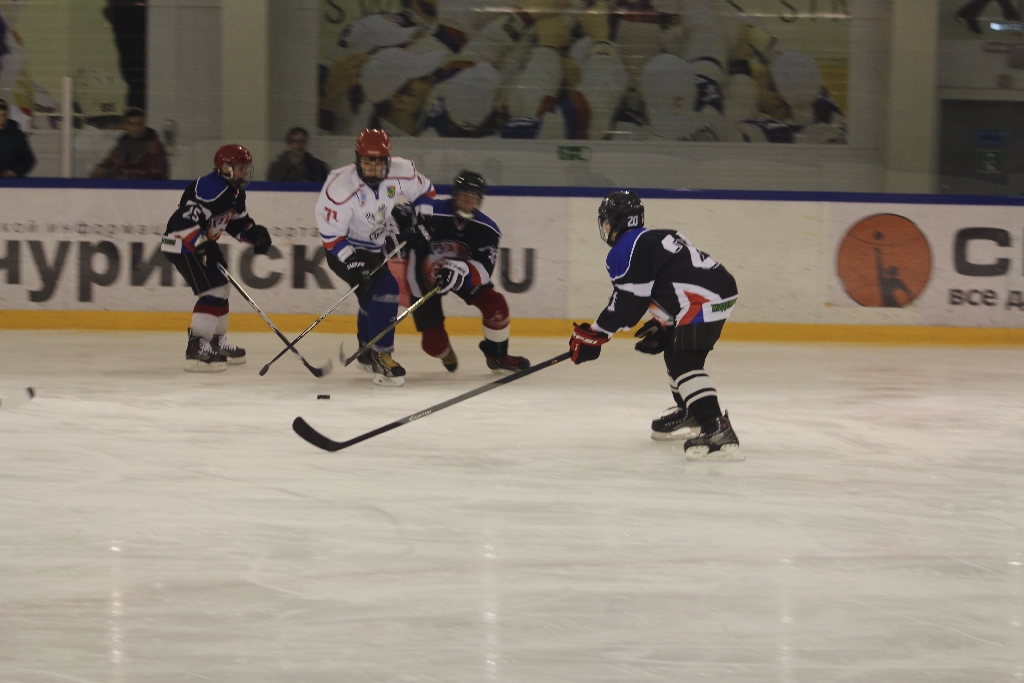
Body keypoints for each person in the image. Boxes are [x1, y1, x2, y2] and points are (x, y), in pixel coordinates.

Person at [567, 191, 742, 460]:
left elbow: (629, 305)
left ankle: (715, 427)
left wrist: (596, 333)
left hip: (704, 298)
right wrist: (666, 323)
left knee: (684, 361)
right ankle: (693, 411)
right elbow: (673, 280)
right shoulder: (660, 236)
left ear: (616, 222)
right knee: (675, 350)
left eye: (607, 222)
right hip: (718, 289)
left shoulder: (624, 248)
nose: (606, 228)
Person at [314, 128, 435, 386]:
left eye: (378, 162)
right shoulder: (340, 186)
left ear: (387, 160)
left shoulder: (401, 171)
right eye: (367, 161)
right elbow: (332, 236)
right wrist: (352, 262)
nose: (372, 168)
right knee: (386, 289)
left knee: (370, 295)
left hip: (375, 245)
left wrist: (423, 222)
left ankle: (366, 350)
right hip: (344, 249)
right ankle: (381, 356)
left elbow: (426, 191)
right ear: (357, 159)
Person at [398, 170, 530, 373]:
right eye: (464, 195)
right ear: (455, 194)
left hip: (462, 276)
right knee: (434, 345)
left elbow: (484, 271)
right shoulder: (430, 210)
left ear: (480, 200)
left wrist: (461, 269)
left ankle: (497, 356)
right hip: (422, 278)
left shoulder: (487, 229)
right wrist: (400, 232)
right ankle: (445, 352)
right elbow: (395, 214)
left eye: (474, 197)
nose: (468, 200)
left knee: (496, 306)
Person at [161, 144, 272, 372]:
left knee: (222, 288)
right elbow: (184, 221)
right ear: (225, 167)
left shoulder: (235, 191)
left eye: (246, 168)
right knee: (213, 289)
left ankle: (214, 341)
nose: (245, 172)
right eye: (240, 168)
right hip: (181, 243)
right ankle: (197, 346)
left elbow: (236, 223)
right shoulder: (210, 186)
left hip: (198, 244)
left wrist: (254, 235)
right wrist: (202, 245)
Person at [90, 108, 169, 180]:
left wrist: (128, 174)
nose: (136, 128)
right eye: (131, 124)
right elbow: (111, 162)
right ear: (125, 125)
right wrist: (101, 169)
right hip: (123, 188)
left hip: (145, 189)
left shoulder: (154, 147)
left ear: (144, 125)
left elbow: (159, 173)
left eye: (139, 124)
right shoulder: (123, 144)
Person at [0, 99, 34, 178]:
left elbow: (28, 159)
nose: (2, 119)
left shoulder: (16, 135)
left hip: (11, 181)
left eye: (4, 115)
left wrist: (15, 171)